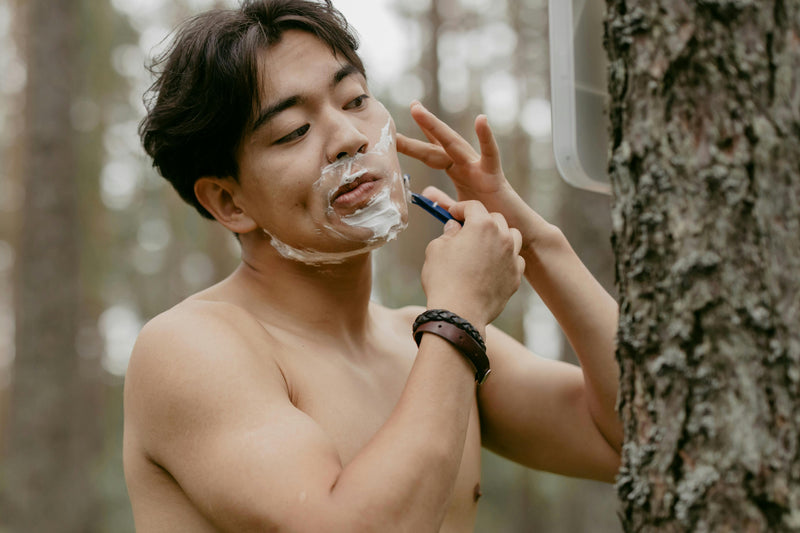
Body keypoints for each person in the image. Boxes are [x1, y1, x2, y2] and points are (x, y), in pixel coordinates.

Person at [122, 0, 622, 531]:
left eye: (355, 99)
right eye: (294, 130)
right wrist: (457, 316)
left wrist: (535, 239)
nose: (349, 138)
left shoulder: (421, 338)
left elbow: (642, 433)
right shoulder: (189, 347)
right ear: (230, 202)